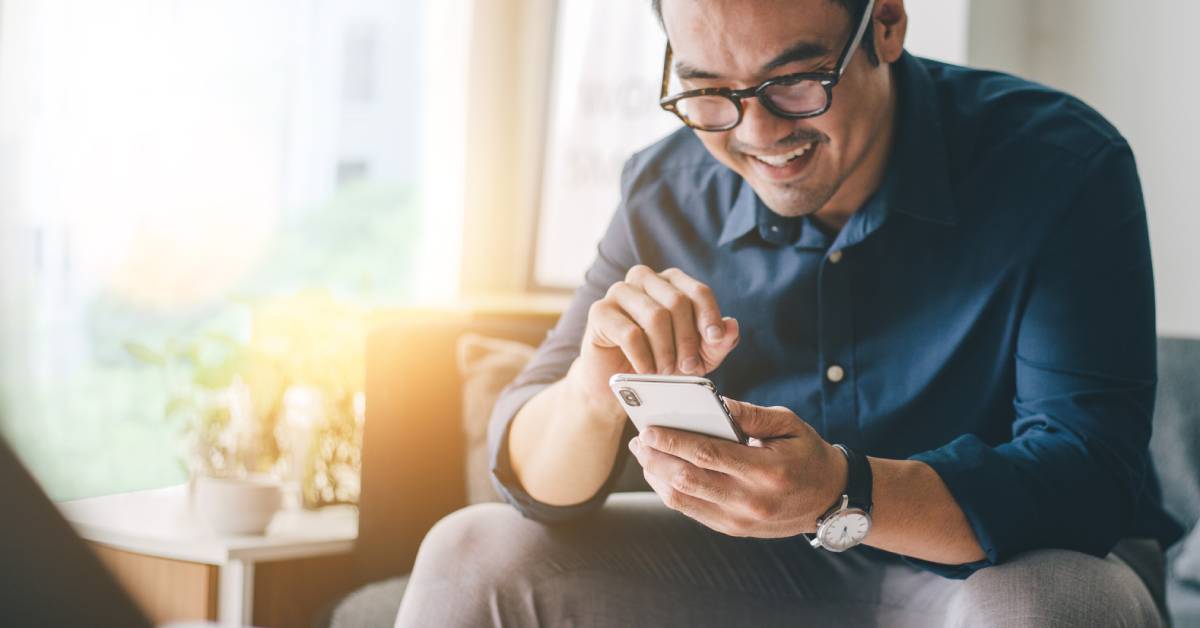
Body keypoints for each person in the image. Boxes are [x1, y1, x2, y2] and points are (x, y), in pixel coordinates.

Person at [396, 0, 1183, 625]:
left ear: (886, 22)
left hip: (1010, 569)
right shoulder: (663, 192)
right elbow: (531, 479)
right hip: (765, 575)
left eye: (795, 80)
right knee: (472, 552)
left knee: (1045, 609)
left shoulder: (1060, 164)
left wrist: (843, 492)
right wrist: (590, 395)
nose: (758, 132)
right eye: (708, 89)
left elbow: (1088, 479)